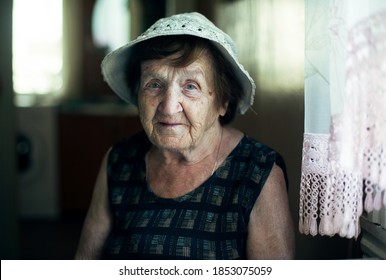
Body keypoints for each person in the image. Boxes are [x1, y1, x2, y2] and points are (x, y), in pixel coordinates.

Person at [75, 12, 295, 260]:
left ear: (222, 101)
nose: (168, 107)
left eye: (191, 86)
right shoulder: (118, 162)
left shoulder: (258, 173)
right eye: (154, 84)